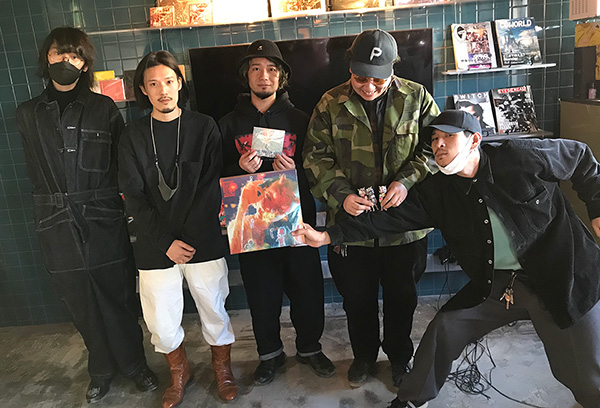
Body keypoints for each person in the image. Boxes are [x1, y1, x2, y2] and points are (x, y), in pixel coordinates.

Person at [294, 110, 600, 408]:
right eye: (434, 139)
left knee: (583, 373)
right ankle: (411, 399)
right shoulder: (437, 191)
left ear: (474, 140)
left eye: (448, 137)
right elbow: (387, 221)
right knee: (444, 329)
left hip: (562, 276)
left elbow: (581, 157)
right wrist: (328, 236)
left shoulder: (519, 157)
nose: (438, 144)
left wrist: (597, 208)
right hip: (498, 285)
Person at [15, 27, 158, 403]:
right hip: (54, 220)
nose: (66, 61)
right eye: (58, 54)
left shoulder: (103, 108)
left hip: (102, 215)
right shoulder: (28, 114)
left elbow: (120, 165)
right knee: (79, 302)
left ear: (85, 63)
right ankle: (100, 370)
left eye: (75, 55)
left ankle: (134, 365)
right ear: (46, 58)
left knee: (118, 296)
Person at [303, 28, 440, 388]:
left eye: (378, 80)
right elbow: (315, 156)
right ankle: (364, 356)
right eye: (360, 78)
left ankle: (399, 357)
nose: (368, 87)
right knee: (357, 300)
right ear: (350, 67)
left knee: (402, 299)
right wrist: (341, 194)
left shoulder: (417, 98)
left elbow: (436, 148)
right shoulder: (330, 103)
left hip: (404, 228)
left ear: (393, 69)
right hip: (352, 228)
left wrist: (405, 181)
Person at [118, 50, 237, 406]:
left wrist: (186, 238)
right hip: (155, 244)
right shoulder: (132, 135)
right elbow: (133, 196)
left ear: (180, 83)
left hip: (202, 239)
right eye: (153, 84)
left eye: (168, 81)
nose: (163, 90)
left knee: (214, 307)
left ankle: (222, 369)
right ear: (143, 89)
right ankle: (179, 372)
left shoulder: (204, 126)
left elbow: (210, 187)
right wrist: (166, 242)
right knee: (161, 319)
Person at [219, 39, 335, 385]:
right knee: (261, 294)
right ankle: (269, 355)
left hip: (297, 224)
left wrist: (296, 169)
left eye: (271, 69)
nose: (264, 76)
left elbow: (321, 168)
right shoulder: (227, 123)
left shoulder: (302, 119)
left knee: (307, 290)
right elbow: (215, 175)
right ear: (246, 75)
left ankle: (310, 348)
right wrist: (238, 168)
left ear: (281, 76)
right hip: (252, 227)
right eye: (255, 69)